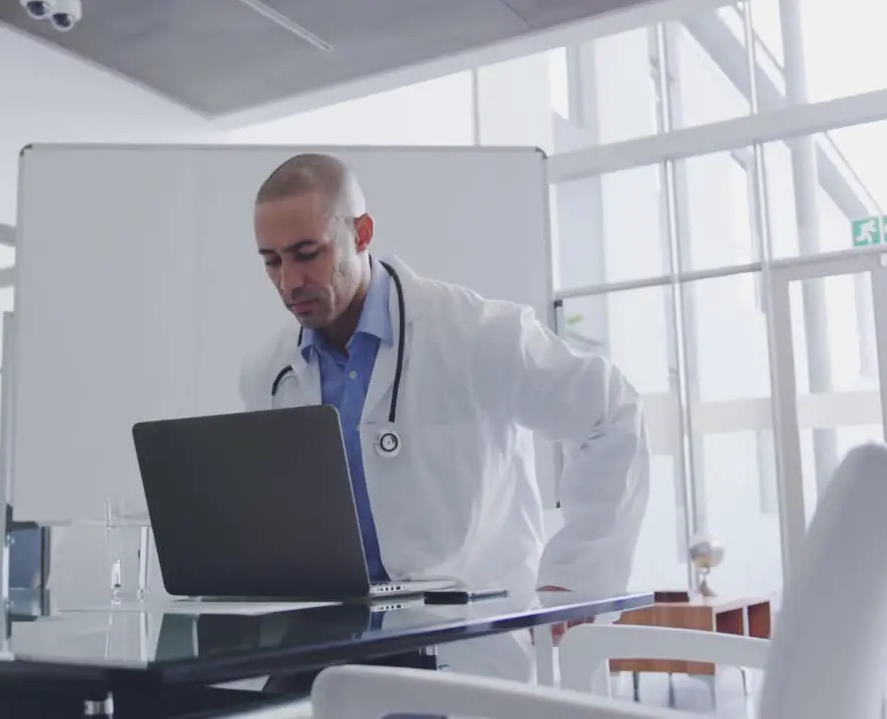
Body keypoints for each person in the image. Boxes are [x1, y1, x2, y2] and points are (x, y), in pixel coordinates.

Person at [240, 152, 650, 684]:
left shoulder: (475, 334)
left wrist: (575, 580)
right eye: (271, 260)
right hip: (332, 647)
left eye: (307, 254)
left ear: (361, 233)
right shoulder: (268, 375)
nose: (289, 281)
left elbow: (612, 413)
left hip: (464, 645)